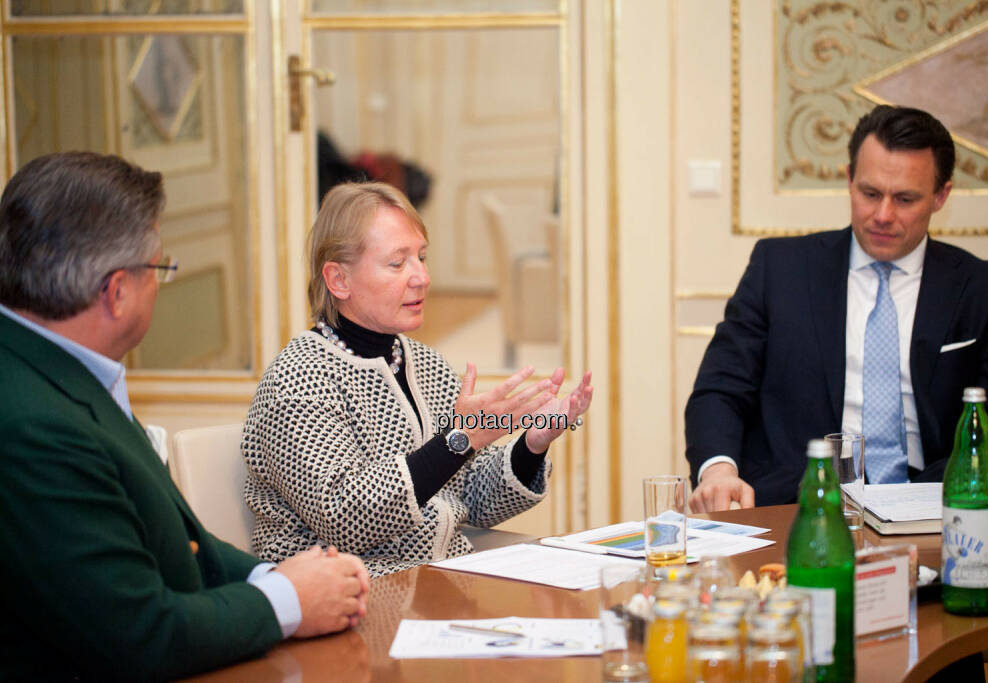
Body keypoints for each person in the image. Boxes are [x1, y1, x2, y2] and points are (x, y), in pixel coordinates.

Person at [0, 152, 370, 681]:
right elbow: (140, 635)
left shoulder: (63, 368)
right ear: (117, 292)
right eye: (159, 268)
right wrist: (286, 602)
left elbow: (179, 538)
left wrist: (283, 577)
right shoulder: (34, 426)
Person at [243, 181, 592, 576]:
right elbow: (344, 517)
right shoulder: (299, 378)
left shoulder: (424, 363)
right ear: (338, 280)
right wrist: (461, 439)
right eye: (398, 263)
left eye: (422, 258)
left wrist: (531, 446)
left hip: (441, 579)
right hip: (346, 592)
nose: (422, 277)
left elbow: (470, 498)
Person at [686, 105, 988, 513]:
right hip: (798, 504)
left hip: (934, 505)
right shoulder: (779, 269)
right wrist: (718, 470)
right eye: (869, 193)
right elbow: (720, 388)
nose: (883, 215)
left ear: (941, 196)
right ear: (849, 180)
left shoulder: (985, 289)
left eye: (904, 199)